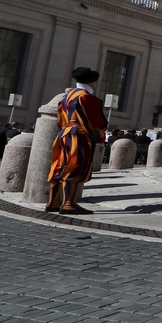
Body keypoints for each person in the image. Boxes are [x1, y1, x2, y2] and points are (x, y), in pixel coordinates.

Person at [46, 67, 108, 214]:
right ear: (92, 82)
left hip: (64, 134)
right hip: (78, 135)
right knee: (74, 166)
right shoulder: (86, 97)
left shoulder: (66, 96)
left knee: (59, 166)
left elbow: (60, 119)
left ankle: (53, 202)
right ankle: (68, 204)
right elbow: (96, 121)